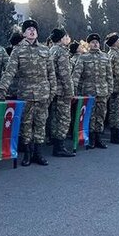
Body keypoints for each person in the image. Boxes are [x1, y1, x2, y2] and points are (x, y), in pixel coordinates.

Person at [0, 19, 56, 166]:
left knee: (41, 123)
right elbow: (9, 72)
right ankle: (28, 154)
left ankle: (38, 154)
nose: (32, 31)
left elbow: (51, 73)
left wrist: (52, 90)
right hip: (26, 93)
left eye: (34, 29)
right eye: (28, 29)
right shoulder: (18, 50)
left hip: (43, 93)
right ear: (23, 33)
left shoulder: (45, 50)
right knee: (26, 124)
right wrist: (2, 90)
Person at [72, 33, 112, 149]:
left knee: (101, 115)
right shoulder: (83, 57)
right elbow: (76, 75)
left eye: (97, 42)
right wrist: (74, 90)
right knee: (90, 115)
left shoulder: (105, 57)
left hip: (103, 91)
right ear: (88, 44)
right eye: (92, 42)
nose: (95, 44)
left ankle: (98, 138)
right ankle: (91, 139)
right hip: (89, 91)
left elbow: (109, 75)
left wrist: (109, 89)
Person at [47, 28, 75, 157]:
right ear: (62, 38)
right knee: (64, 118)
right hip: (62, 90)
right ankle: (59, 146)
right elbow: (65, 74)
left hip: (53, 89)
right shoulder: (62, 51)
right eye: (66, 36)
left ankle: (53, 140)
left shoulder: (51, 50)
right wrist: (70, 92)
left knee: (54, 117)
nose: (68, 38)